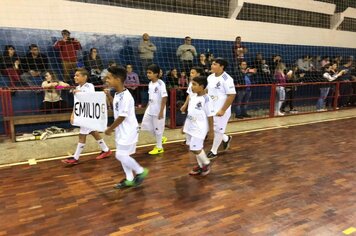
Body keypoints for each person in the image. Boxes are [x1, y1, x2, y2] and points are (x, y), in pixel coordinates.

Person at [104, 65, 149, 189]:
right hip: (121, 130)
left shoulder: (127, 97)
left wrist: (110, 128)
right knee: (124, 155)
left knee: (120, 155)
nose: (106, 80)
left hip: (128, 130)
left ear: (118, 79)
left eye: (109, 78)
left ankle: (140, 171)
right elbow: (117, 108)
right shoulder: (118, 94)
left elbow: (122, 117)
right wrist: (108, 96)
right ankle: (129, 179)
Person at [62, 68, 112, 164]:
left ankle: (75, 158)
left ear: (84, 77)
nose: (75, 77)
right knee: (93, 132)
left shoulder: (89, 86)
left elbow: (89, 97)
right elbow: (77, 104)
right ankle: (106, 150)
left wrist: (78, 93)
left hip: (88, 115)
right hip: (82, 114)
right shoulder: (77, 88)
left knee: (82, 135)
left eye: (77, 75)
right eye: (75, 75)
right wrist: (73, 115)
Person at [183, 76, 214, 176]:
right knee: (195, 147)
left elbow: (210, 116)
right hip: (191, 126)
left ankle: (206, 163)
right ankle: (201, 166)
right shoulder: (193, 97)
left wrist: (211, 131)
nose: (192, 87)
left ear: (202, 86)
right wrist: (184, 127)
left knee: (195, 148)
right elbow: (190, 113)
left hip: (200, 128)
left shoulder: (207, 99)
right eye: (192, 84)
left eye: (194, 84)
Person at [206, 58, 236, 160]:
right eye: (212, 64)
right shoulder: (210, 77)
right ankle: (226, 138)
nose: (212, 66)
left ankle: (213, 151)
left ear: (221, 67)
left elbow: (231, 95)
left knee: (218, 130)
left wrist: (223, 110)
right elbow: (207, 90)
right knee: (211, 128)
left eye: (214, 64)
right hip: (211, 108)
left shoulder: (227, 79)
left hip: (222, 109)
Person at [141, 64, 168, 155]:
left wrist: (161, 111)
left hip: (158, 110)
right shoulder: (150, 83)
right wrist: (147, 108)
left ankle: (159, 147)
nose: (148, 74)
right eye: (147, 72)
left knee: (158, 129)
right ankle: (160, 137)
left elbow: (164, 98)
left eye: (150, 73)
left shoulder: (161, 84)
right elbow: (150, 97)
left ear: (156, 74)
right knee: (145, 125)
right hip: (150, 109)